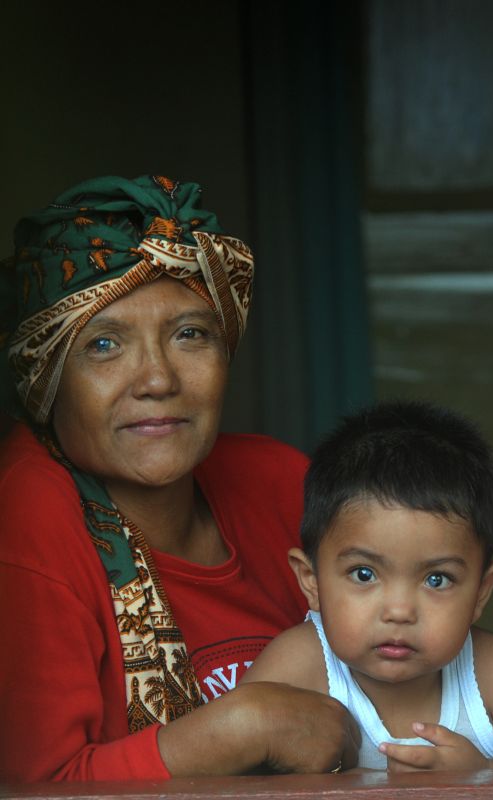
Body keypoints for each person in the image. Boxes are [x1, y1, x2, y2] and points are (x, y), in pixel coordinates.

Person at [0, 176, 358, 782]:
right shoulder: (23, 521)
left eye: (190, 334)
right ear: (46, 376)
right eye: (105, 344)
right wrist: (245, 725)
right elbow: (32, 788)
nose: (159, 379)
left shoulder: (278, 480)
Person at [244, 401, 493, 772]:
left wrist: (486, 773)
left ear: (481, 593)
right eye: (364, 574)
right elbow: (226, 771)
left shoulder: (488, 672)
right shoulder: (301, 665)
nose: (399, 611)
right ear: (310, 581)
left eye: (436, 579)